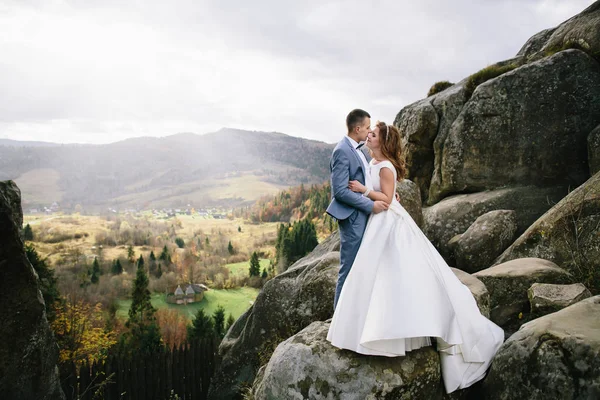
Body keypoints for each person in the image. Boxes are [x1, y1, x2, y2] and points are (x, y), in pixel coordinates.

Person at [326, 121, 504, 394]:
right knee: (373, 274)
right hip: (379, 222)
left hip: (387, 222)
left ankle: (390, 327)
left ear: (382, 143)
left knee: (392, 272)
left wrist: (364, 191)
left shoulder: (385, 167)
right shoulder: (371, 161)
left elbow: (385, 201)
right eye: (369, 132)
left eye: (372, 134)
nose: (368, 136)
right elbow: (387, 192)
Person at [326, 109, 389, 310]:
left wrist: (386, 194)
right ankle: (339, 320)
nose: (369, 130)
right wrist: (371, 205)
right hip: (353, 218)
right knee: (349, 268)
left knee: (362, 268)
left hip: (362, 215)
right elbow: (340, 192)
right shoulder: (342, 150)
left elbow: (366, 181)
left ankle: (356, 315)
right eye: (368, 127)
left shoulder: (358, 149)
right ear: (358, 128)